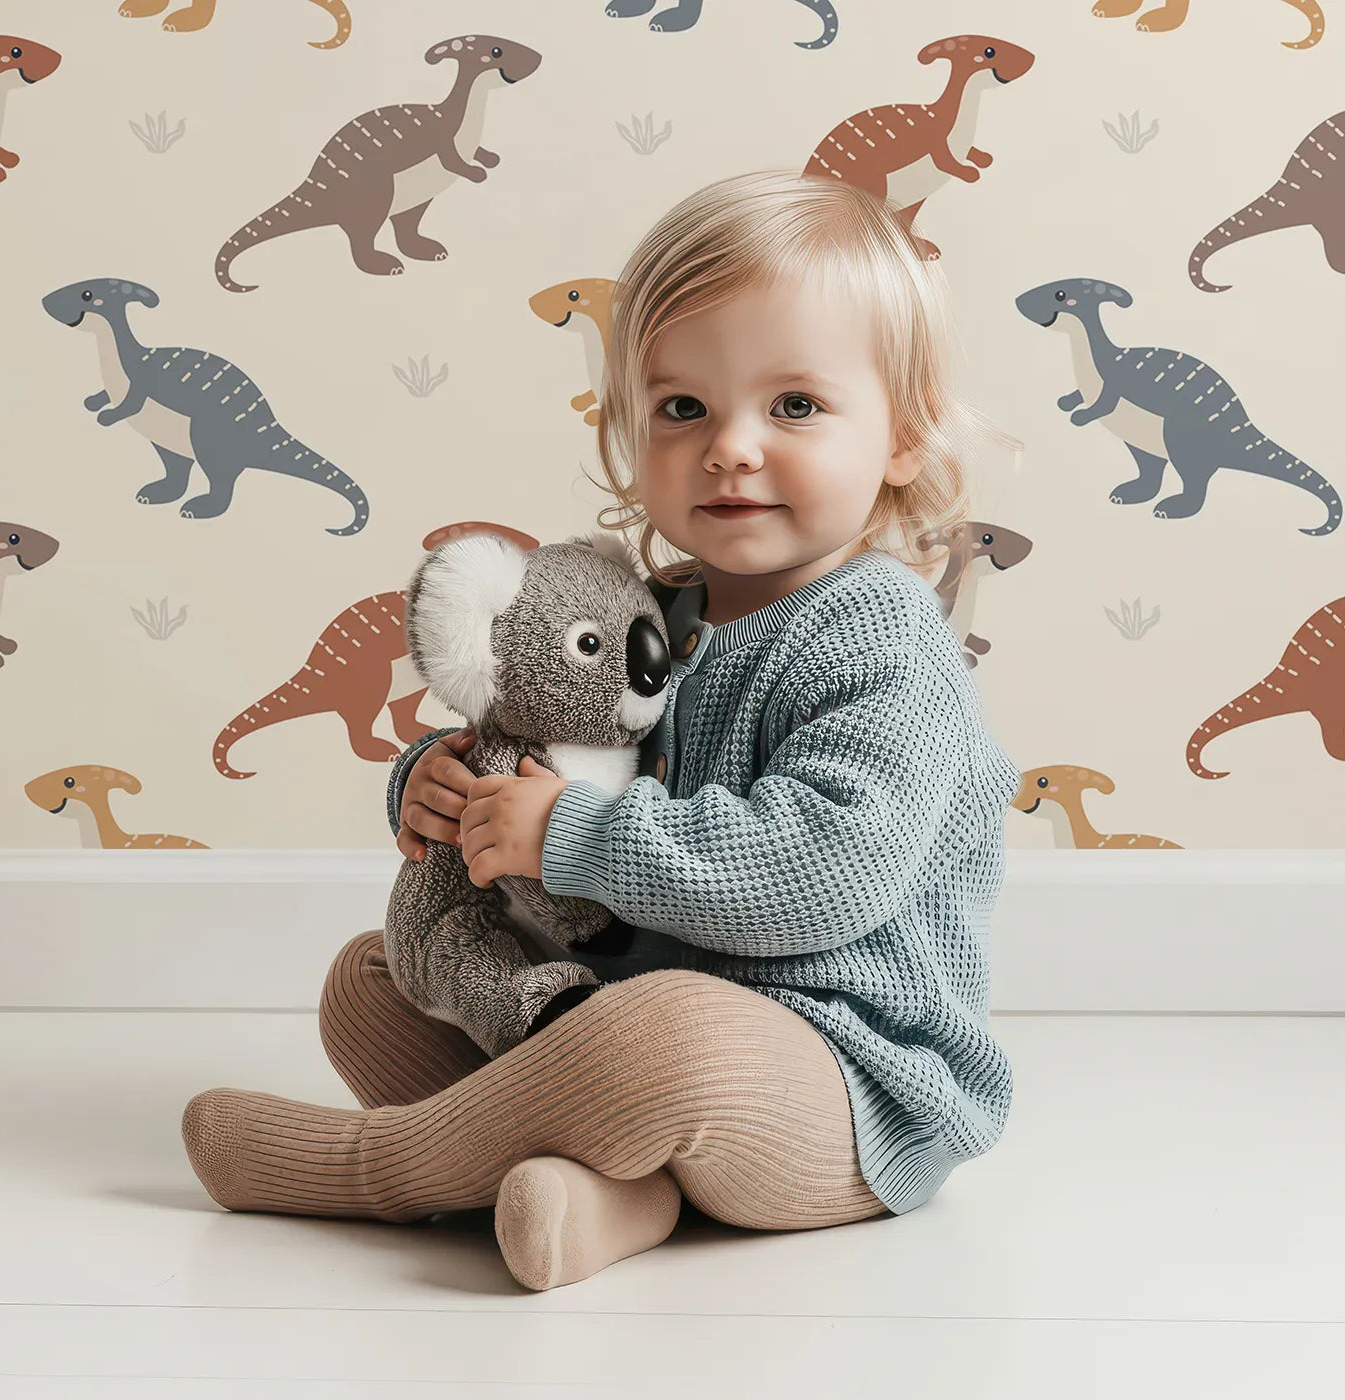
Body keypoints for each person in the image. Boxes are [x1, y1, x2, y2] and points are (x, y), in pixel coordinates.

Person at [181, 167, 1024, 1293]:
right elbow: (532, 736)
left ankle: (375, 1167)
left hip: (840, 1077)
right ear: (627, 427)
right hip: (629, 1021)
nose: (729, 446)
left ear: (903, 438)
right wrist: (441, 787)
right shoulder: (638, 606)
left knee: (665, 1033)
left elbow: (822, 873)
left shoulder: (880, 638)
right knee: (375, 979)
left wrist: (572, 834)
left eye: (794, 406)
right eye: (682, 408)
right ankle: (612, 1197)